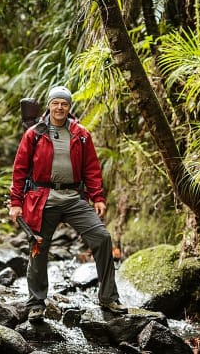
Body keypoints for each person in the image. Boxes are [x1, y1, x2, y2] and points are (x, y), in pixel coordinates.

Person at [9, 85, 128, 322]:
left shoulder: (81, 134)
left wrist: (98, 197)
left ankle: (108, 297)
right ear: (49, 106)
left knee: (102, 239)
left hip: (74, 198)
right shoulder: (34, 134)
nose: (60, 107)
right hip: (43, 199)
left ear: (69, 106)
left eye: (64, 103)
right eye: (56, 103)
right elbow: (20, 169)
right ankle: (36, 303)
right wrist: (16, 202)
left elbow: (92, 168)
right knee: (38, 248)